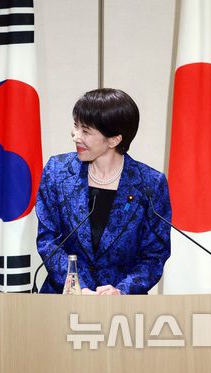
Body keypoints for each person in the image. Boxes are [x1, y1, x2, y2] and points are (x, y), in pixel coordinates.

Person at [36, 88, 171, 295]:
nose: (75, 136)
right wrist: (77, 287)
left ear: (114, 140)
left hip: (121, 309)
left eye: (85, 131)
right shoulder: (57, 172)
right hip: (62, 301)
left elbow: (154, 256)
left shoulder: (150, 184)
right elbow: (48, 241)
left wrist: (121, 291)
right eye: (75, 125)